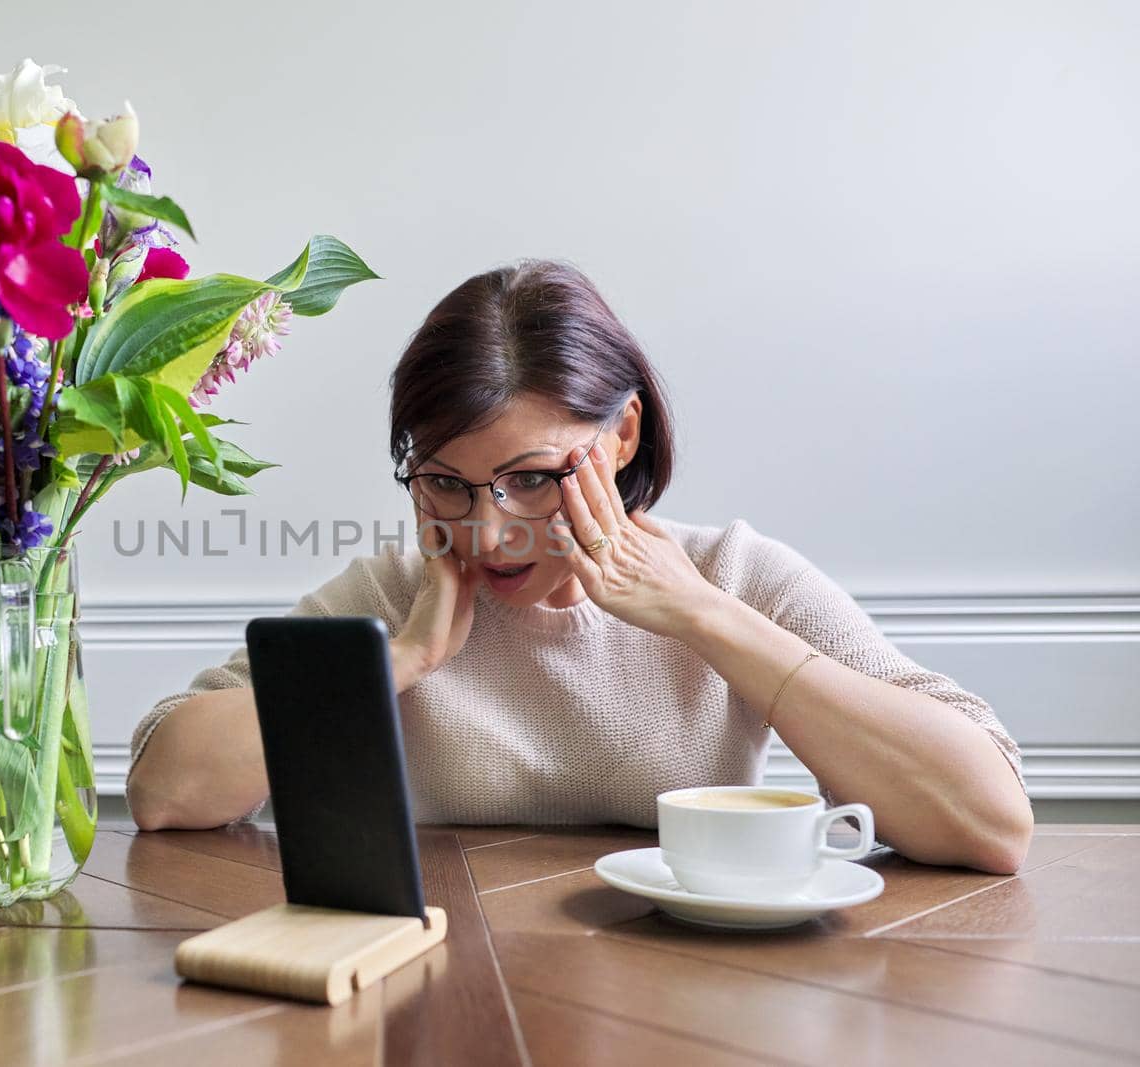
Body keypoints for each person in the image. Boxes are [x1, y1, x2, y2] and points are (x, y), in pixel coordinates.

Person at [124, 259, 1033, 874]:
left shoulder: (734, 571)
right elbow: (166, 791)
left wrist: (706, 618)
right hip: (444, 986)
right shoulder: (397, 599)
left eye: (529, 479)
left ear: (623, 433)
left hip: (686, 999)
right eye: (447, 482)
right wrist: (397, 663)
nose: (488, 532)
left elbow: (990, 820)